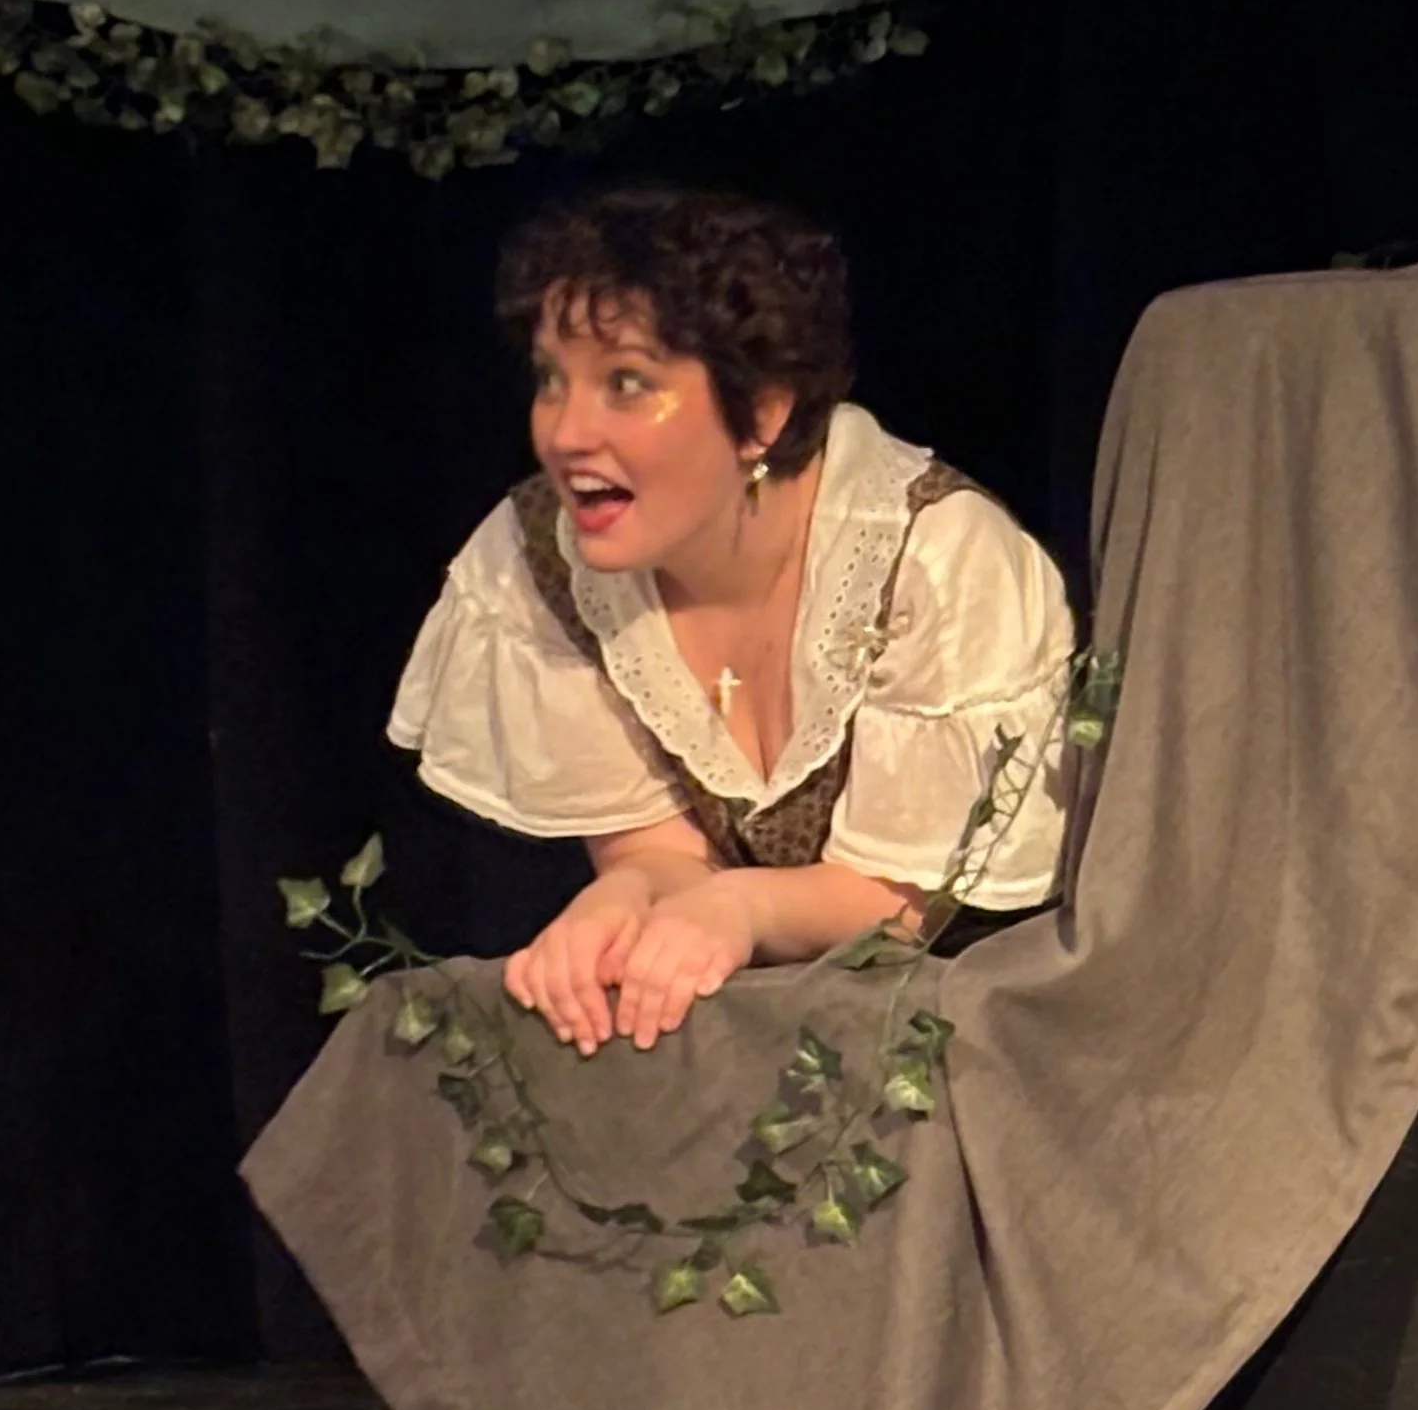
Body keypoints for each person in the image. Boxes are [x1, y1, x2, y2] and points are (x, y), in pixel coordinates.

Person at [387, 185, 1074, 1056]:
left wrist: (739, 907)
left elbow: (909, 899)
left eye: (625, 384)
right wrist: (620, 901)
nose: (564, 432)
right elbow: (657, 851)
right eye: (552, 380)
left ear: (762, 413)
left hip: (977, 1027)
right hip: (758, 1036)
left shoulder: (932, 560)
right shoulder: (542, 560)